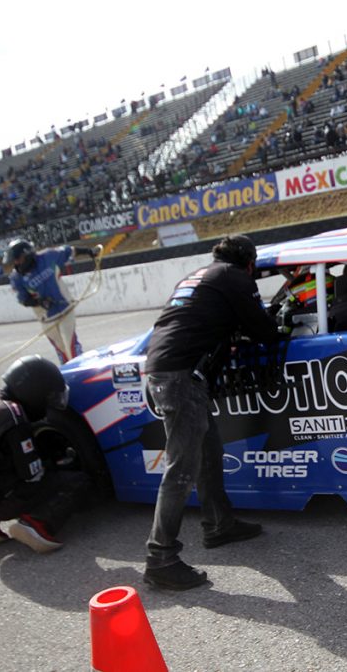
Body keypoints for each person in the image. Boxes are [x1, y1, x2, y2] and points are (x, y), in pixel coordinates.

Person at [143, 234, 279, 590]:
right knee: (181, 469)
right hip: (181, 377)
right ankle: (161, 558)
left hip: (163, 369)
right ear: (249, 263)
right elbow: (265, 331)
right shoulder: (235, 278)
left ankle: (219, 524)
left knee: (208, 453)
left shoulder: (200, 276)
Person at [0, 355, 91, 553]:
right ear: (33, 393)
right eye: (47, 398)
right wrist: (56, 463)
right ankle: (37, 524)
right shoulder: (14, 417)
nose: (48, 404)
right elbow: (32, 474)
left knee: (1, 472)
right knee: (77, 480)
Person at [4, 239, 100, 364]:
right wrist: (39, 302)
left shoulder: (48, 256)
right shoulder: (16, 278)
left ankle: (81, 369)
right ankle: (67, 376)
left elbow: (69, 250)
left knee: (71, 345)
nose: (16, 263)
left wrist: (89, 251)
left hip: (65, 309)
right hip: (47, 319)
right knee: (61, 350)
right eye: (14, 261)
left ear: (27, 255)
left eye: (18, 259)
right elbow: (23, 300)